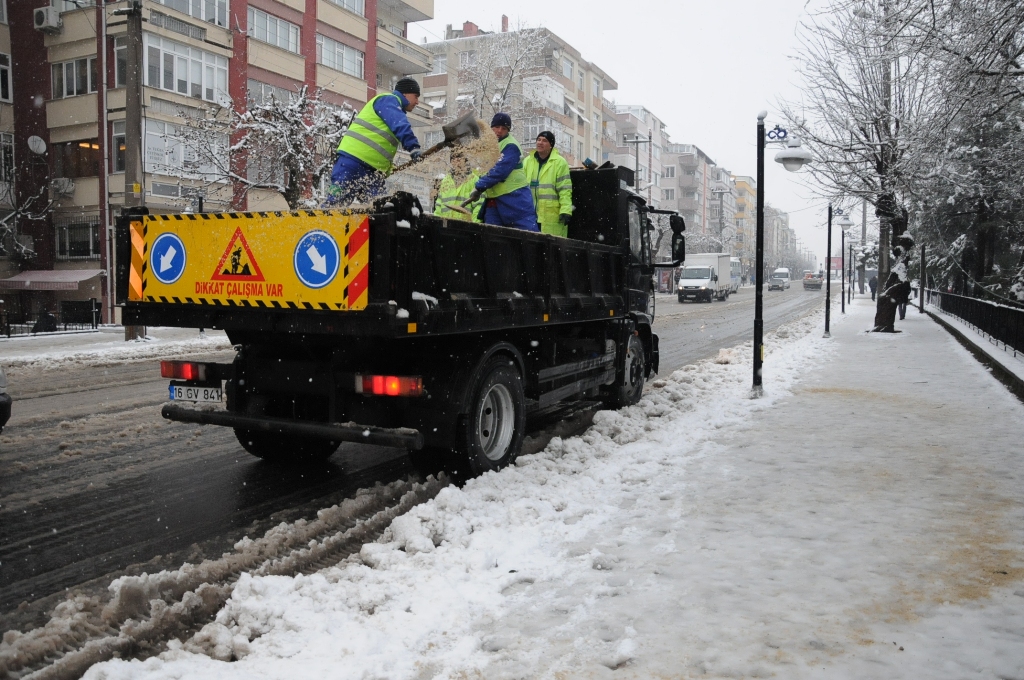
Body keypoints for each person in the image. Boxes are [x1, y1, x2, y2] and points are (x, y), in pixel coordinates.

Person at [330, 78, 423, 204]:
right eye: (416, 96)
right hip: (353, 161)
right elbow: (400, 125)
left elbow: (382, 145)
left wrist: (387, 170)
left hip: (370, 170)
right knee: (335, 205)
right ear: (405, 93)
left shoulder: (391, 107)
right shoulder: (389, 100)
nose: (417, 102)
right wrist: (413, 147)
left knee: (379, 212)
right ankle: (316, 224)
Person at [464, 113, 539, 232]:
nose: (499, 131)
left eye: (504, 128)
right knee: (493, 237)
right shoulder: (490, 145)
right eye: (497, 127)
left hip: (515, 198)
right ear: (491, 128)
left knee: (528, 236)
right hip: (495, 200)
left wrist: (479, 186)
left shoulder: (510, 146)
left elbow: (500, 170)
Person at [522, 130, 573, 236]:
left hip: (550, 216)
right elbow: (521, 187)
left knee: (550, 249)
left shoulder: (559, 163)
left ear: (551, 145)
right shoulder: (527, 161)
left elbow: (565, 189)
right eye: (538, 140)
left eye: (544, 141)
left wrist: (566, 210)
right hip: (530, 216)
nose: (540, 142)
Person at [434, 155, 482, 222]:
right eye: (453, 158)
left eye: (459, 157)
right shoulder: (445, 181)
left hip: (466, 226)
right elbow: (439, 205)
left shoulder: (474, 180)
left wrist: (475, 226)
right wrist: (437, 223)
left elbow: (479, 206)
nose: (456, 160)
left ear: (465, 160)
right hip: (446, 226)